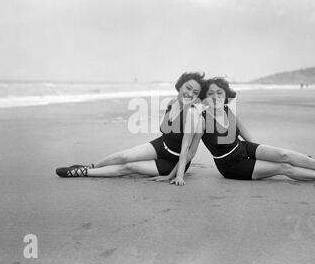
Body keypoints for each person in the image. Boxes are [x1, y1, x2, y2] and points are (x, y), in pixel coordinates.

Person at [153, 77, 315, 185]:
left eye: (220, 93)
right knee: (283, 168)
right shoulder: (200, 119)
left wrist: (262, 153)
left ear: (225, 95)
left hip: (243, 149)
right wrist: (173, 175)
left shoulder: (227, 110)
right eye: (210, 93)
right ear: (204, 97)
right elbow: (189, 152)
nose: (215, 97)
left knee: (283, 154)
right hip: (231, 165)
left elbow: (249, 138)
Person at [55, 72, 205, 185]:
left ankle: (81, 172)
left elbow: (186, 150)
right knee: (123, 156)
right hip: (162, 145)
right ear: (180, 85)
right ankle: (93, 166)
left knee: (128, 167)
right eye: (188, 88)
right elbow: (166, 130)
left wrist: (175, 175)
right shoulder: (172, 103)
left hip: (174, 160)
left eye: (195, 93)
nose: (190, 94)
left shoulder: (192, 115)